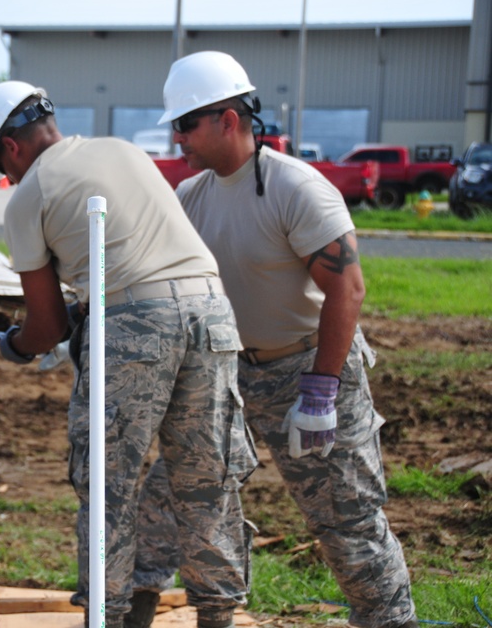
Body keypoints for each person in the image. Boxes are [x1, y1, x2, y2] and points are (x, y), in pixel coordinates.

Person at [0, 81, 256, 628]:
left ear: (10, 147)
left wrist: (14, 346)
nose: (6, 178)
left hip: (134, 330)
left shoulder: (29, 195)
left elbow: (46, 324)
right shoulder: (123, 150)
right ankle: (217, 616)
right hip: (212, 312)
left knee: (107, 487)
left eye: (1, 166)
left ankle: (110, 616)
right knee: (204, 479)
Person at [159, 51, 418, 628]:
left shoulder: (295, 187)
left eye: (186, 123)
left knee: (345, 517)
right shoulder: (192, 196)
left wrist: (321, 391)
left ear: (228, 119)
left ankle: (388, 621)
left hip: (308, 368)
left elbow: (347, 288)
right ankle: (214, 612)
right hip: (230, 374)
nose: (177, 138)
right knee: (199, 496)